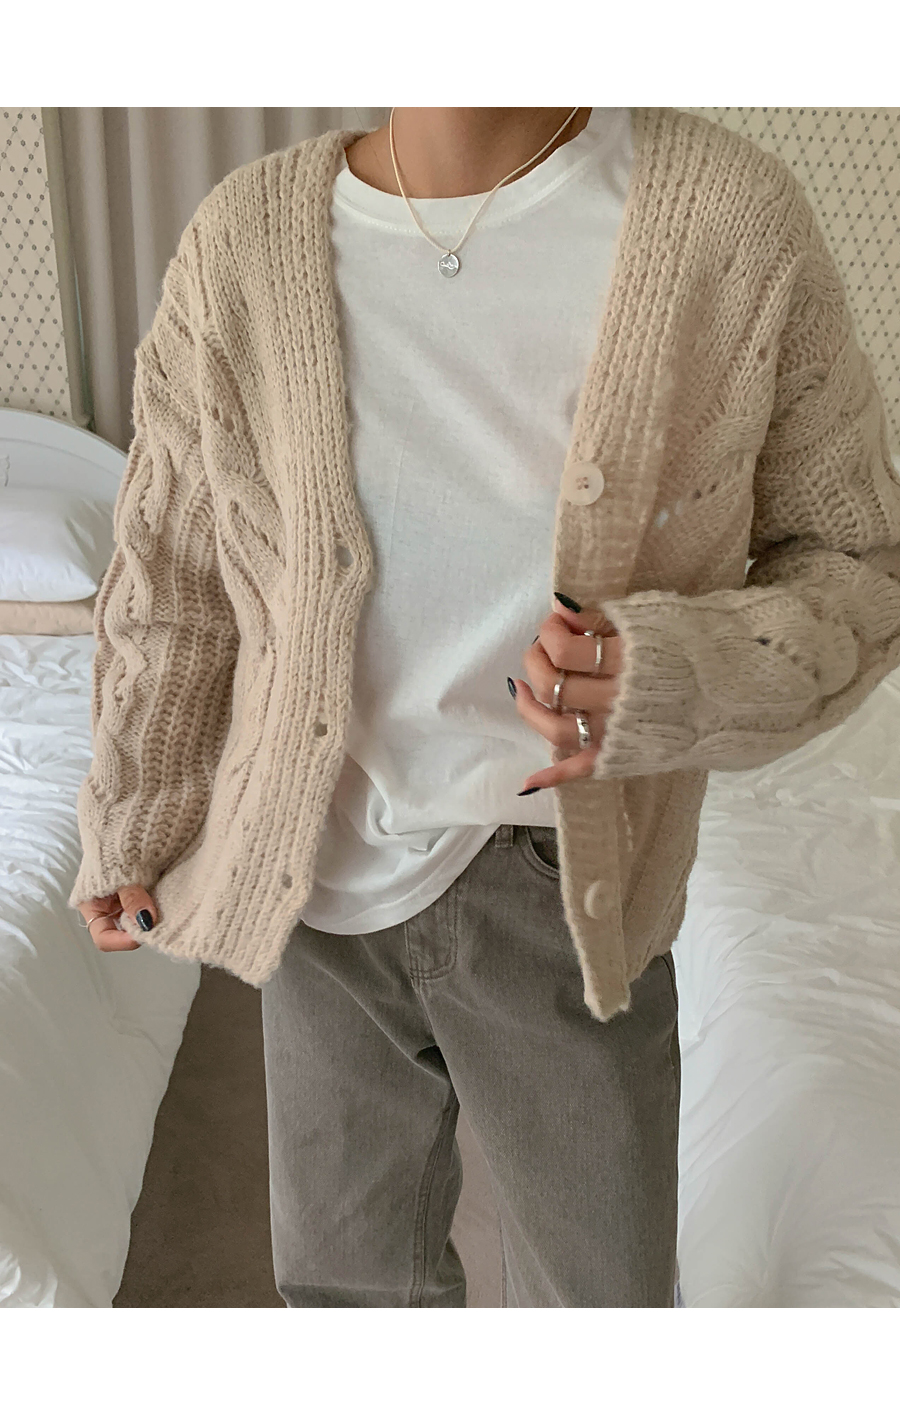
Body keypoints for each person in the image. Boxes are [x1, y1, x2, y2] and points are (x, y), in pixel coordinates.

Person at [70, 107, 900, 1307]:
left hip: (568, 887)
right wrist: (136, 815)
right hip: (312, 876)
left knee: (596, 1304)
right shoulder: (242, 240)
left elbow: (856, 562)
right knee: (346, 1300)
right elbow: (178, 577)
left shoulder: (730, 220)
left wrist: (673, 670)